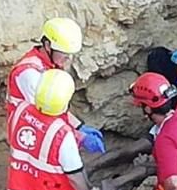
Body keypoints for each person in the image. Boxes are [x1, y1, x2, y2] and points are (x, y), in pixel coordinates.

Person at [6, 17, 106, 154]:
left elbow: (56, 108)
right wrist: (79, 138)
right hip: (31, 139)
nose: (68, 58)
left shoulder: (51, 64)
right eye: (64, 53)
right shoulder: (30, 74)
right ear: (48, 46)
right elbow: (45, 117)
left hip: (45, 134)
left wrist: (78, 126)